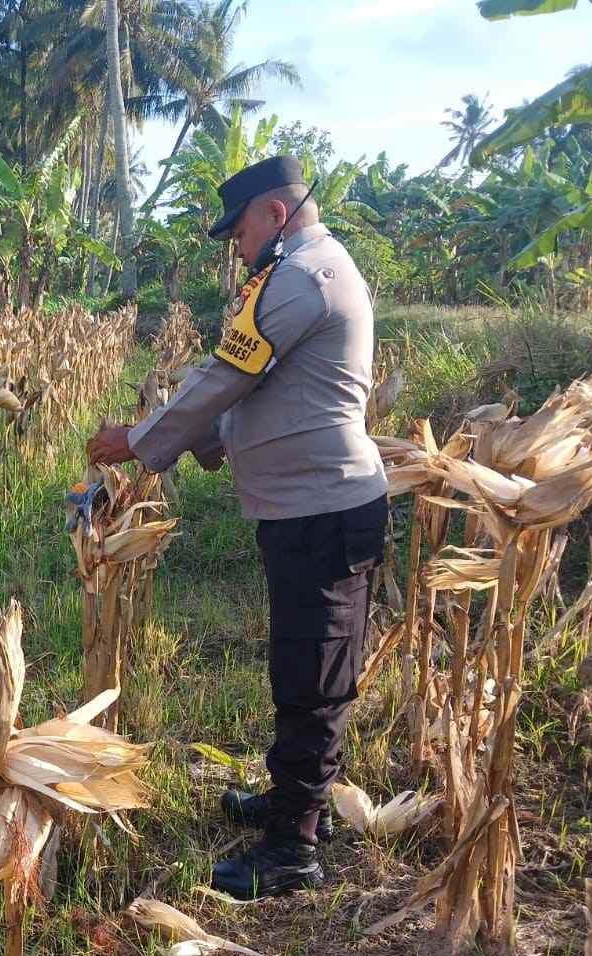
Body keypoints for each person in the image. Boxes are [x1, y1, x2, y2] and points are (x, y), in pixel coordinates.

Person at [86, 156, 388, 900]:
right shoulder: (296, 271)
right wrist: (205, 438)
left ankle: (293, 846)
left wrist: (139, 440)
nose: (238, 245)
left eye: (242, 228)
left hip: (325, 510)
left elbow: (227, 376)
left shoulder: (303, 278)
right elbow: (249, 387)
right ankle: (292, 797)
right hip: (301, 510)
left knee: (313, 675)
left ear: (275, 215)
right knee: (300, 664)